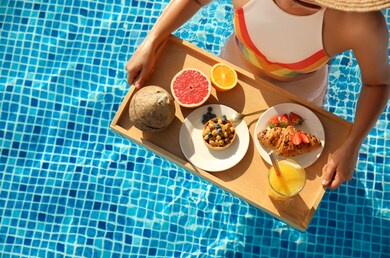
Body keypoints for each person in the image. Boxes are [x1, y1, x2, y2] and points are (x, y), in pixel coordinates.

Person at [125, 0, 390, 190]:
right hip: (232, 74)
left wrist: (352, 145)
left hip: (300, 97)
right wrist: (152, 40)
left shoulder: (361, 24)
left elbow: (377, 83)